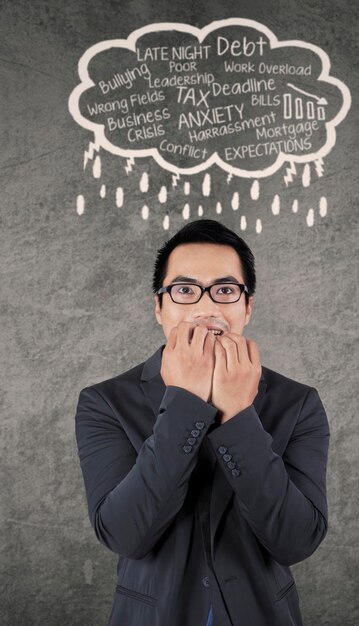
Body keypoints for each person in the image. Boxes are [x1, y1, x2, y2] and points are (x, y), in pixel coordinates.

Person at [75, 218, 330, 626]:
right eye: (185, 290)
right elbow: (125, 535)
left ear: (247, 306)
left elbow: (296, 540)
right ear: (159, 306)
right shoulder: (105, 403)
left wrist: (239, 415)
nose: (206, 307)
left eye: (226, 290)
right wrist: (185, 404)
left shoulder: (298, 404)